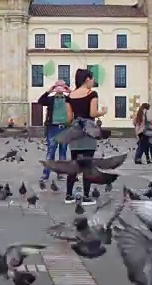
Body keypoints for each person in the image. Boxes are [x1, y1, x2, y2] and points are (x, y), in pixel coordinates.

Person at [64, 69, 107, 205]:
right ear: (87, 79)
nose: (93, 82)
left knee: (74, 163)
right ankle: (86, 196)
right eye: (92, 79)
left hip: (75, 129)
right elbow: (92, 113)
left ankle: (69, 195)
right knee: (87, 164)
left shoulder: (70, 96)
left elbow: (69, 118)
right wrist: (103, 112)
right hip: (88, 130)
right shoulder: (92, 94)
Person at [39, 80, 70, 181]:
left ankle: (61, 174)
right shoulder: (51, 99)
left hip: (65, 127)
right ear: (55, 87)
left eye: (62, 86)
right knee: (51, 151)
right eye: (58, 86)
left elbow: (78, 100)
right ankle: (46, 174)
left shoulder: (68, 99)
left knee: (63, 151)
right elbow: (41, 101)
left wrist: (70, 91)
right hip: (53, 127)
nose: (60, 88)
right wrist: (49, 91)